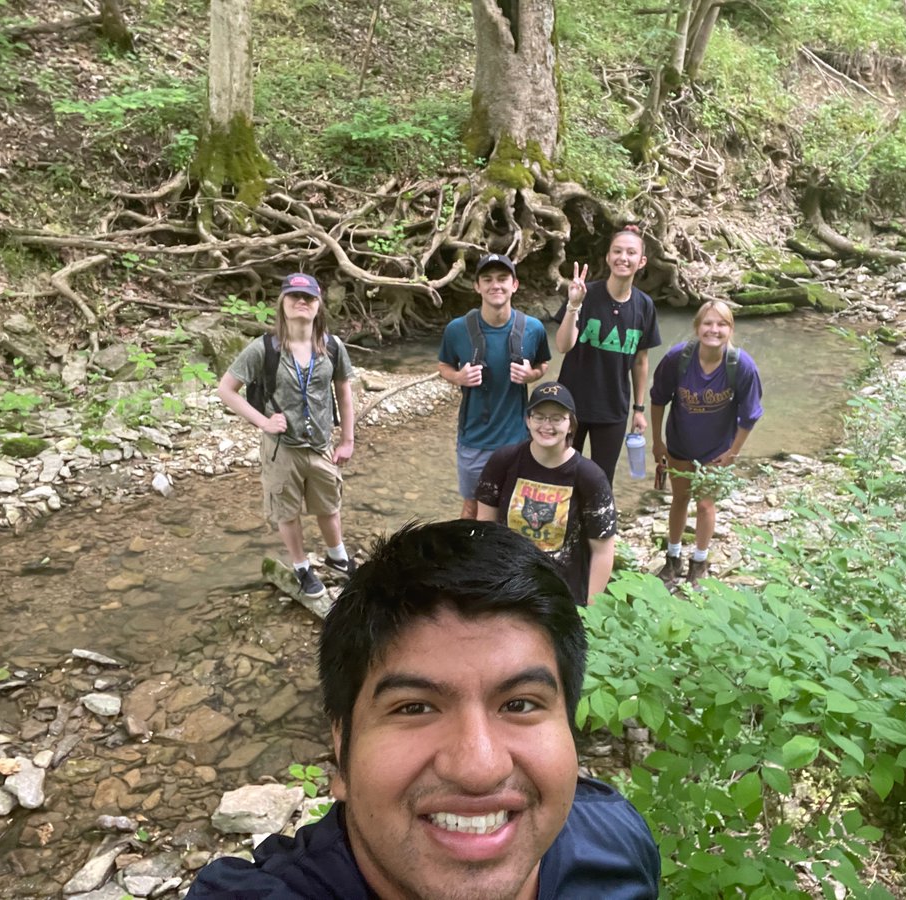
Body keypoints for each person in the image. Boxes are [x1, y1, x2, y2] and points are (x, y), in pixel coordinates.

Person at [186, 519, 661, 899]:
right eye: (414, 708)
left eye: (519, 704)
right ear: (341, 748)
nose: (478, 769)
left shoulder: (615, 843)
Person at [218, 273, 357, 600]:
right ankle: (301, 567)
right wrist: (263, 422)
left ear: (318, 304)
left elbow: (345, 394)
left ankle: (338, 556)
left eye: (308, 297)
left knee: (329, 504)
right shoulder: (262, 349)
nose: (301, 302)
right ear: (282, 302)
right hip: (281, 449)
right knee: (287, 511)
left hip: (321, 447)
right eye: (294, 296)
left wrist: (348, 439)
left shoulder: (332, 347)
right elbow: (226, 390)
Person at [649, 299, 763, 587]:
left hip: (718, 449)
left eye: (722, 324)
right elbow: (658, 399)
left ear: (731, 329)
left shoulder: (741, 366)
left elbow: (750, 415)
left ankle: (699, 563)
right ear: (697, 327)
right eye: (708, 323)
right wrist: (657, 442)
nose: (714, 329)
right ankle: (672, 559)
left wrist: (734, 452)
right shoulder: (678, 359)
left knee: (705, 505)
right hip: (679, 443)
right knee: (679, 499)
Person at [476, 383, 616, 606]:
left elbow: (603, 550)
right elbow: (485, 527)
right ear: (528, 420)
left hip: (561, 592)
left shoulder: (590, 477)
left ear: (570, 424)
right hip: (508, 583)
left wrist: (591, 608)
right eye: (539, 417)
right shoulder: (503, 461)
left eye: (556, 418)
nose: (546, 425)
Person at [439, 253, 552, 519]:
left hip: (517, 439)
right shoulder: (457, 329)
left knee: (516, 508)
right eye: (487, 279)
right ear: (477, 286)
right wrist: (459, 378)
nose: (495, 285)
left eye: (503, 279)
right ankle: (467, 557)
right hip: (473, 439)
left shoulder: (533, 328)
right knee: (472, 507)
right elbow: (443, 366)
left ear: (515, 285)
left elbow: (544, 364)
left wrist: (530, 374)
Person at [552, 225, 661, 484]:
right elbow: (562, 346)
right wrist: (573, 306)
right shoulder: (585, 294)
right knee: (561, 473)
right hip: (571, 404)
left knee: (601, 480)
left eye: (631, 253)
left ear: (641, 261)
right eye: (617, 251)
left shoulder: (644, 306)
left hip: (613, 407)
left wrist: (639, 408)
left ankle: (595, 525)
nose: (623, 257)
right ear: (608, 257)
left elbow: (641, 361)